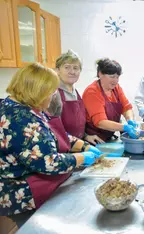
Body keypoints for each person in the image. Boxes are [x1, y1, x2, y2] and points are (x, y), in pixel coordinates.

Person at [0, 63, 101, 220]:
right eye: (51, 92)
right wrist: (82, 158)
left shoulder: (25, 106)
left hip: (35, 183)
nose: (54, 96)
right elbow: (48, 162)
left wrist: (84, 145)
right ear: (37, 91)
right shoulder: (21, 119)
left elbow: (51, 133)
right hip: (22, 193)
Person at [48, 50, 104, 145]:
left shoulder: (75, 92)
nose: (72, 72)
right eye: (67, 67)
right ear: (58, 70)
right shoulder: (53, 94)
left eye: (76, 68)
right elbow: (52, 130)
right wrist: (79, 145)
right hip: (62, 149)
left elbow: (77, 124)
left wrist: (86, 136)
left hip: (77, 145)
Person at [83, 58, 139, 141]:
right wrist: (124, 127)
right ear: (100, 74)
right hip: (95, 139)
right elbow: (100, 122)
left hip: (108, 137)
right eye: (112, 76)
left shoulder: (116, 88)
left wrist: (130, 120)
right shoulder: (92, 92)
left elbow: (127, 108)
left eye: (117, 77)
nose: (115, 81)